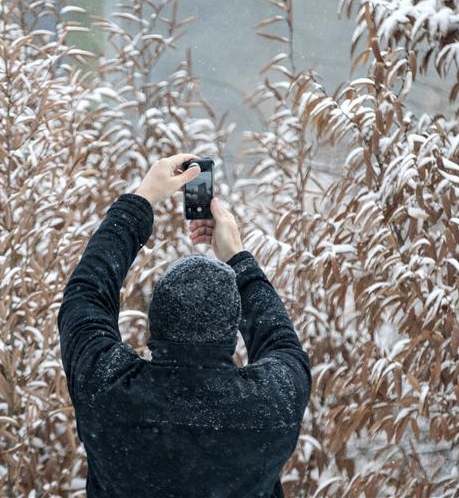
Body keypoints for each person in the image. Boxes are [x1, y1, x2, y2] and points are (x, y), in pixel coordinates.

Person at [58, 153, 311, 497]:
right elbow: (280, 340)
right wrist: (238, 257)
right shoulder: (272, 403)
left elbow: (85, 296)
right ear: (233, 327)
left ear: (155, 323)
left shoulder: (109, 390)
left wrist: (142, 199)